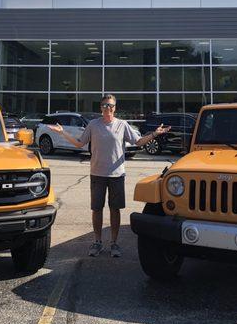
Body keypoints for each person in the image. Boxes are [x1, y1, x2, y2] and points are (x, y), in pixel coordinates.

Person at [48, 94, 170, 257]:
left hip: (117, 175)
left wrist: (154, 134)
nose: (108, 108)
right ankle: (97, 241)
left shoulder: (122, 125)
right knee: (97, 209)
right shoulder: (93, 125)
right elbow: (79, 143)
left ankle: (114, 243)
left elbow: (138, 141)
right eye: (105, 105)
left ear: (115, 108)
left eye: (111, 105)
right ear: (101, 108)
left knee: (115, 209)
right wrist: (62, 133)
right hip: (97, 174)